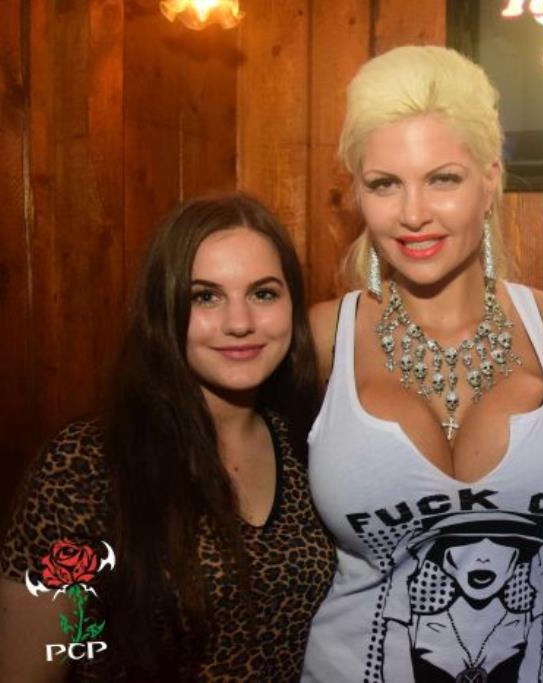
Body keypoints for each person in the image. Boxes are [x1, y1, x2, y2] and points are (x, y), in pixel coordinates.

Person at [301, 45, 543, 683]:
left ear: (489, 181)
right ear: (358, 193)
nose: (413, 214)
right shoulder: (322, 336)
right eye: (385, 184)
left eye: (443, 179)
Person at [0, 193, 335, 681]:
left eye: (263, 294)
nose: (239, 323)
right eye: (205, 297)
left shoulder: (309, 446)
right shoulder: (86, 464)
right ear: (163, 308)